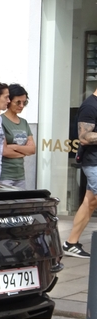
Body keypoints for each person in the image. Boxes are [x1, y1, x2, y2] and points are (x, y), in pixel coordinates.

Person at [63, 88, 97, 258]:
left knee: (90, 203)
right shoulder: (90, 106)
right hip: (94, 162)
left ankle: (71, 243)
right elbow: (84, 137)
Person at [0, 84, 36, 189]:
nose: (21, 106)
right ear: (9, 101)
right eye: (18, 102)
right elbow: (4, 151)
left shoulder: (24, 122)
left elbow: (32, 149)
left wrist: (14, 147)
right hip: (5, 175)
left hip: (20, 175)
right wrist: (24, 151)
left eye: (24, 102)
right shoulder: (1, 120)